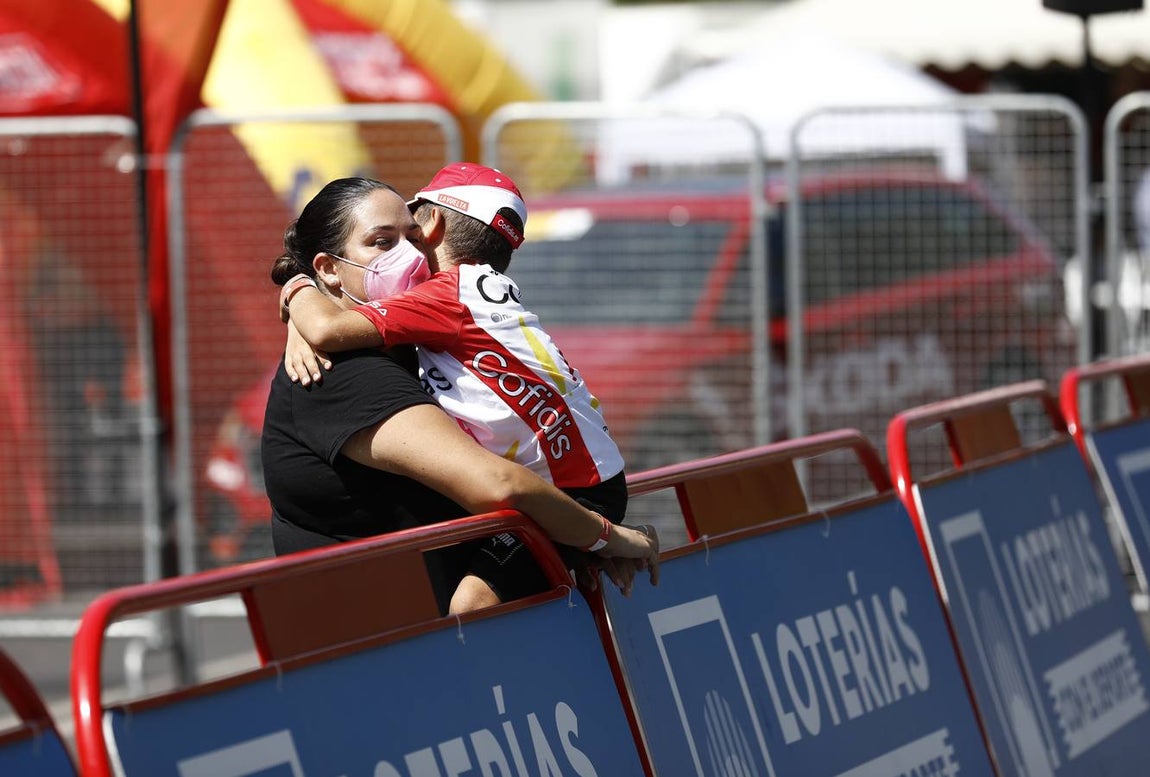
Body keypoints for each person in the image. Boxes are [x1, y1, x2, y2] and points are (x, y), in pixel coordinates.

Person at [262, 175, 657, 614]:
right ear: (329, 268)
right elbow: (498, 484)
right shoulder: (343, 372)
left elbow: (329, 325)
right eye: (381, 241)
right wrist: (605, 537)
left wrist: (298, 293)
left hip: (417, 624)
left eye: (411, 238)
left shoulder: (419, 326)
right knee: (473, 608)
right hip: (371, 645)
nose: (407, 256)